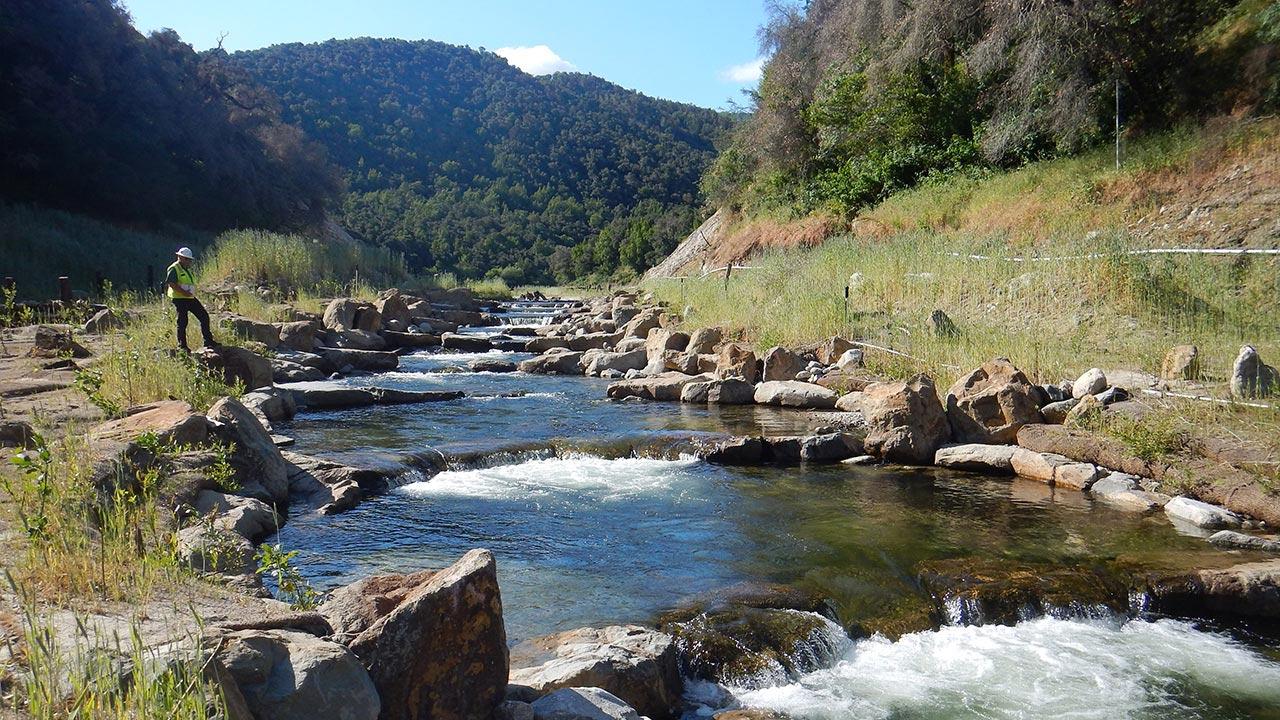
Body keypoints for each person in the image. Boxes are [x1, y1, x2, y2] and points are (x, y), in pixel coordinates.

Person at [166, 247, 218, 352]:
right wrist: (185, 292)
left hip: (189, 297)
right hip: (179, 298)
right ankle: (182, 346)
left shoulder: (186, 269)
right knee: (182, 321)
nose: (189, 261)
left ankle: (208, 341)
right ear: (180, 257)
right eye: (186, 259)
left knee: (203, 316)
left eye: (189, 259)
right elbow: (171, 284)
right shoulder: (174, 268)